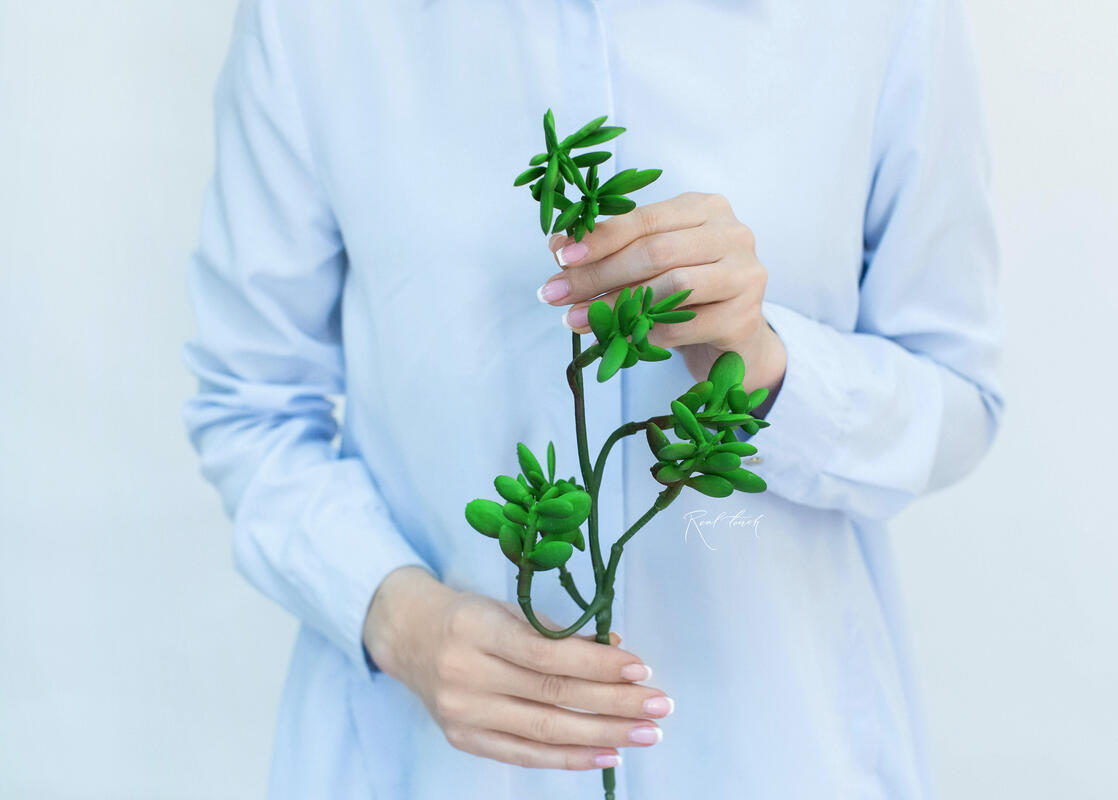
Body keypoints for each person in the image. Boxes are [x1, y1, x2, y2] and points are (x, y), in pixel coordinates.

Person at [183, 0, 1003, 796]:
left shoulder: (884, 15)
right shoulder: (315, 18)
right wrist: (398, 618)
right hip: (429, 765)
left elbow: (960, 396)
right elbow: (250, 405)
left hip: (777, 750)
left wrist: (762, 366)